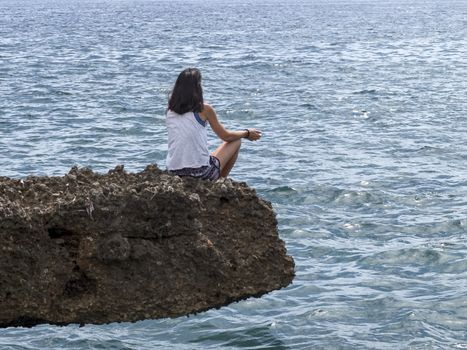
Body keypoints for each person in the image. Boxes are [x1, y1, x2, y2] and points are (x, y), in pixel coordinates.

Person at [166, 68, 262, 181]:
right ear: (198, 87)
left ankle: (219, 181)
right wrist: (247, 133)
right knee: (236, 141)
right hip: (200, 174)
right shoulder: (203, 108)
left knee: (209, 156)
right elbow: (226, 136)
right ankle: (220, 182)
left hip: (173, 173)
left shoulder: (170, 111)